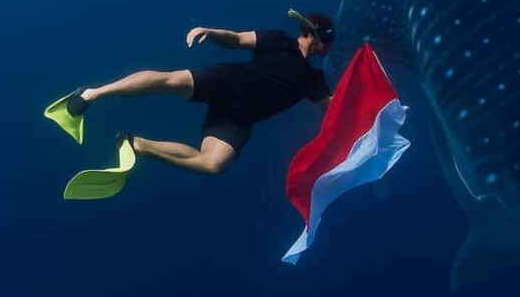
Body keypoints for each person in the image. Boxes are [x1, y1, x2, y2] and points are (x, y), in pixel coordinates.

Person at [60, 12, 336, 175]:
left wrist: (373, 111)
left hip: (237, 117)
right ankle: (93, 94)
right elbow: (237, 39)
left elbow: (336, 109)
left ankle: (136, 145)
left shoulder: (313, 80)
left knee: (213, 163)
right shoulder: (280, 40)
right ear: (317, 36)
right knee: (168, 81)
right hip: (228, 81)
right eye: (330, 41)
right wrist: (211, 32)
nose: (330, 48)